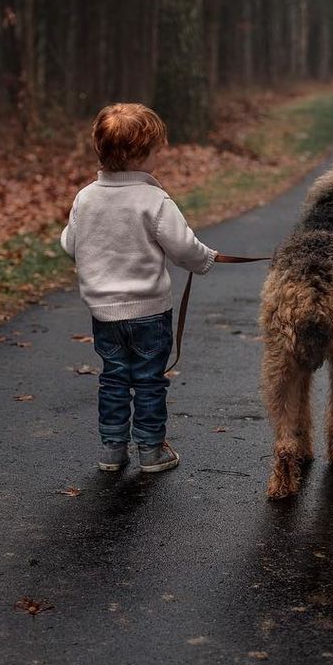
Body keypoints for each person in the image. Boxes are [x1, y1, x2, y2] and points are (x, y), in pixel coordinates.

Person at [60, 103, 216, 473]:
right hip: (149, 311)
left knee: (113, 378)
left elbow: (70, 243)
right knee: (148, 380)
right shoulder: (153, 200)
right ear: (139, 153)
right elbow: (182, 248)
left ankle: (112, 450)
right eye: (156, 150)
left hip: (104, 313)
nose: (159, 156)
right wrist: (206, 259)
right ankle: (150, 450)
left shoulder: (86, 198)